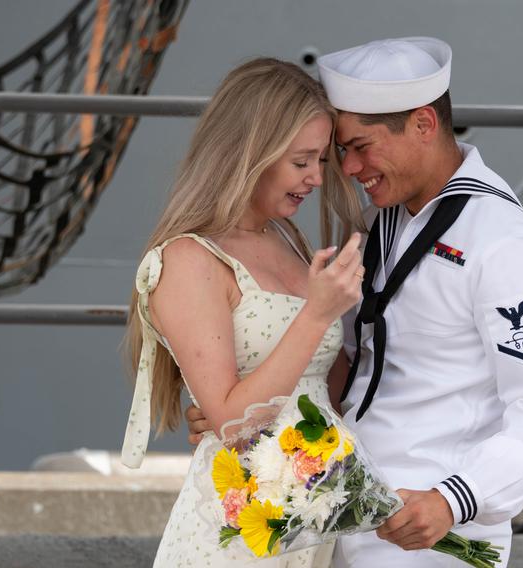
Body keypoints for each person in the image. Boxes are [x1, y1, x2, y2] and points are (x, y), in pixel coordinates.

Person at [190, 37, 523, 566]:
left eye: (362, 146)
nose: (347, 169)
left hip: (430, 533)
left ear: (423, 124)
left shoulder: (505, 243)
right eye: (341, 151)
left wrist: (454, 499)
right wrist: (242, 409)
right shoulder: (379, 225)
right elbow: (348, 367)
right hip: (337, 514)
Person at [121, 57, 366, 567]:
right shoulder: (188, 258)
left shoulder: (286, 238)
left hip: (311, 509)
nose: (316, 179)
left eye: (322, 160)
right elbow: (233, 422)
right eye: (302, 161)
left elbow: (322, 388)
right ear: (250, 152)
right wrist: (318, 316)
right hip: (243, 531)